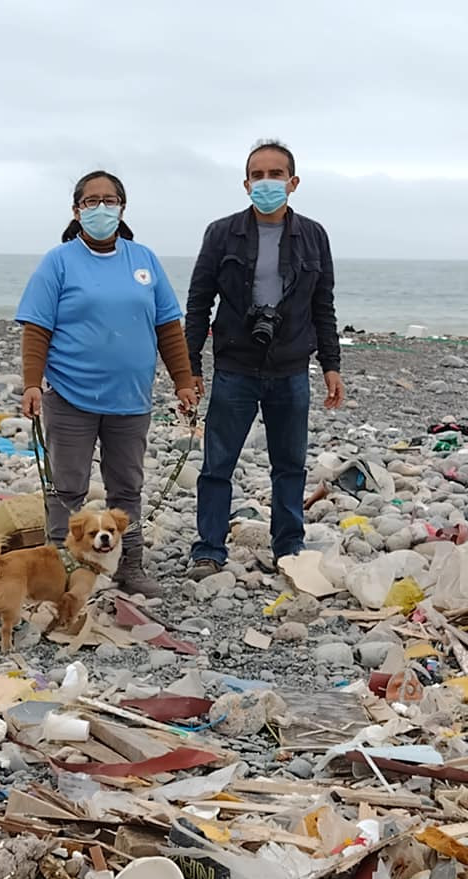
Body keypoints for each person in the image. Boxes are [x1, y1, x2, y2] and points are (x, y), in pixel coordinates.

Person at [16, 170, 198, 597]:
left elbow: (168, 326)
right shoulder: (58, 261)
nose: (101, 208)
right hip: (70, 395)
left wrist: (184, 381)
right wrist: (31, 384)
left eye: (109, 200)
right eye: (91, 201)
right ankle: (61, 569)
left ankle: (128, 565)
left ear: (122, 207)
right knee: (68, 487)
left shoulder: (144, 260)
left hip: (130, 400)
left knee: (126, 486)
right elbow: (36, 328)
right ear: (77, 211)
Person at [184, 140, 345, 580]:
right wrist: (190, 368)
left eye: (276, 174)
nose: (267, 182)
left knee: (290, 465)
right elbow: (199, 302)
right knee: (217, 465)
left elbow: (323, 305)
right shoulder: (222, 233)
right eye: (258, 175)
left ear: (293, 183)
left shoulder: (313, 235)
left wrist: (331, 365)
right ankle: (209, 549)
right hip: (235, 367)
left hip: (291, 369)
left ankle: (289, 546)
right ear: (246, 183)